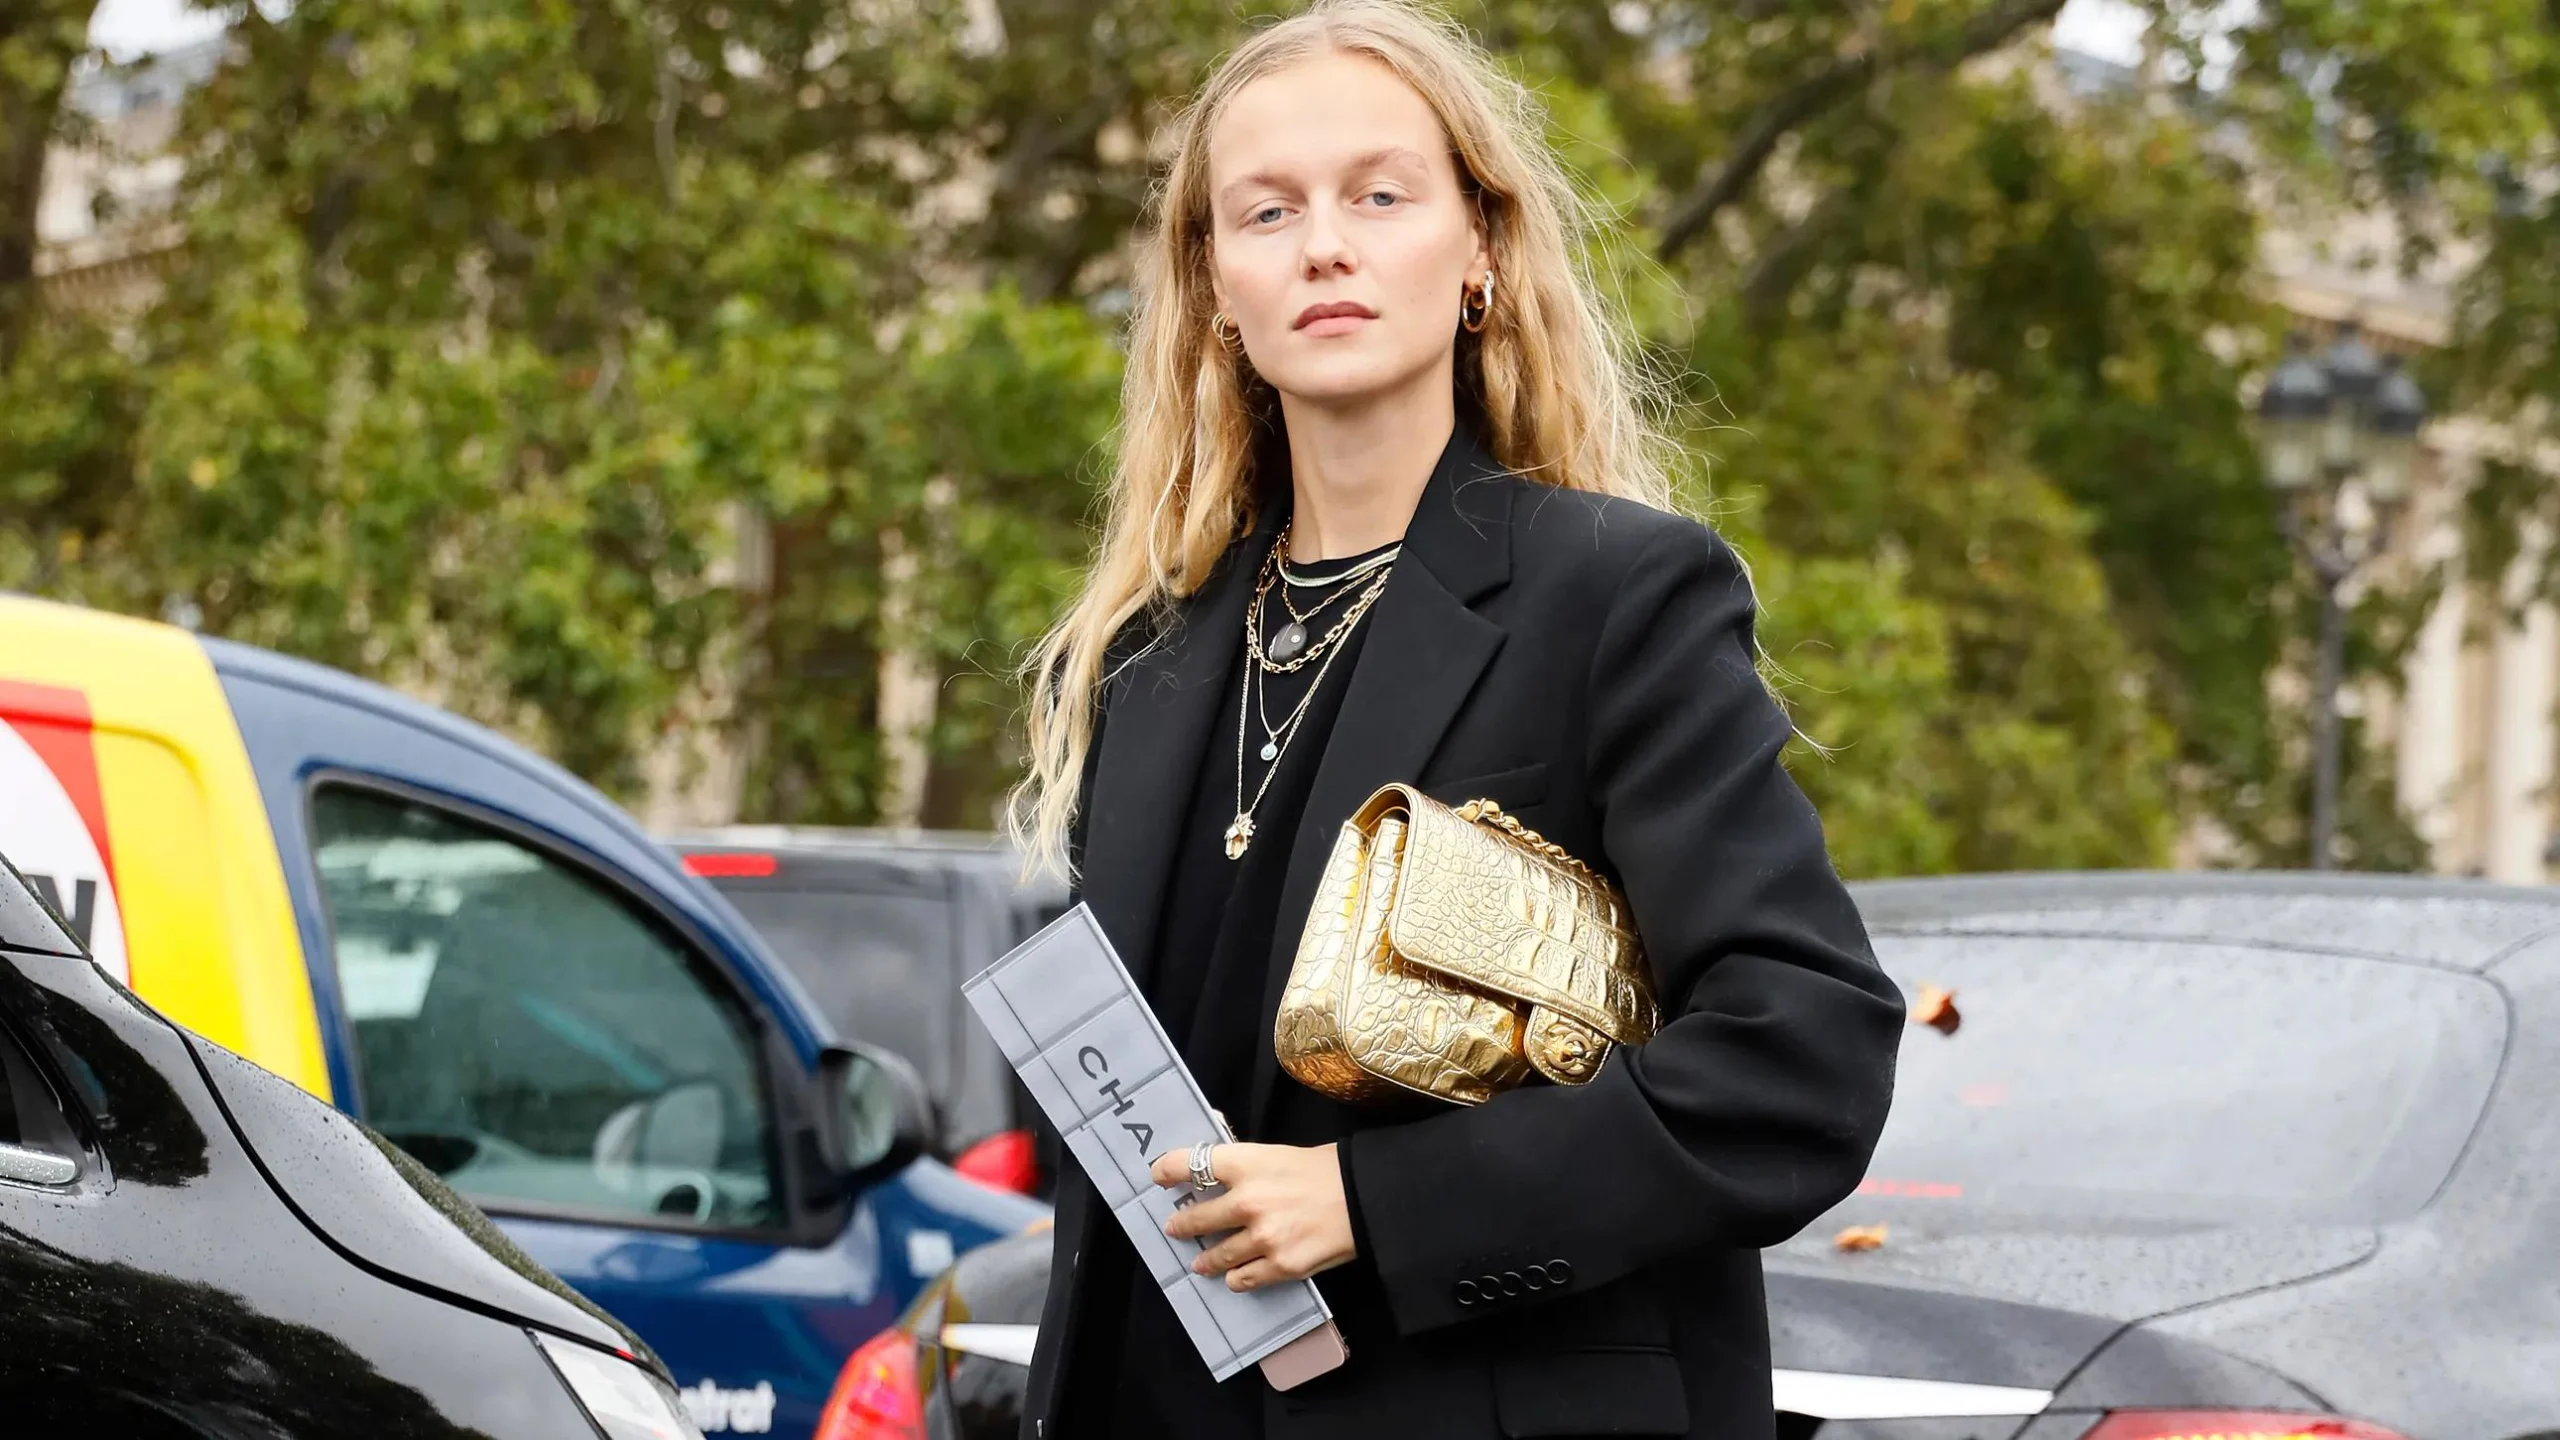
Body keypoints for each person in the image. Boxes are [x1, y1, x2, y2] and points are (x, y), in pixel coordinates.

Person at [1009, 3, 1905, 1436]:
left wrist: (1373, 1204)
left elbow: (1802, 1061)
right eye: (1269, 210)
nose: (1325, 244)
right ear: (1215, 282)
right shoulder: (1149, 659)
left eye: (1380, 194)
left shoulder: (1618, 596)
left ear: (1478, 249)